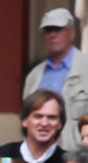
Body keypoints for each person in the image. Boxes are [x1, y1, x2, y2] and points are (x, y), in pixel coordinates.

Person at [22, 7, 88, 151]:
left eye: (57, 30)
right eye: (48, 30)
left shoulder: (85, 68)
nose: (52, 35)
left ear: (72, 34)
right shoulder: (34, 75)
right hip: (41, 156)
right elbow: (26, 118)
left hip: (79, 157)